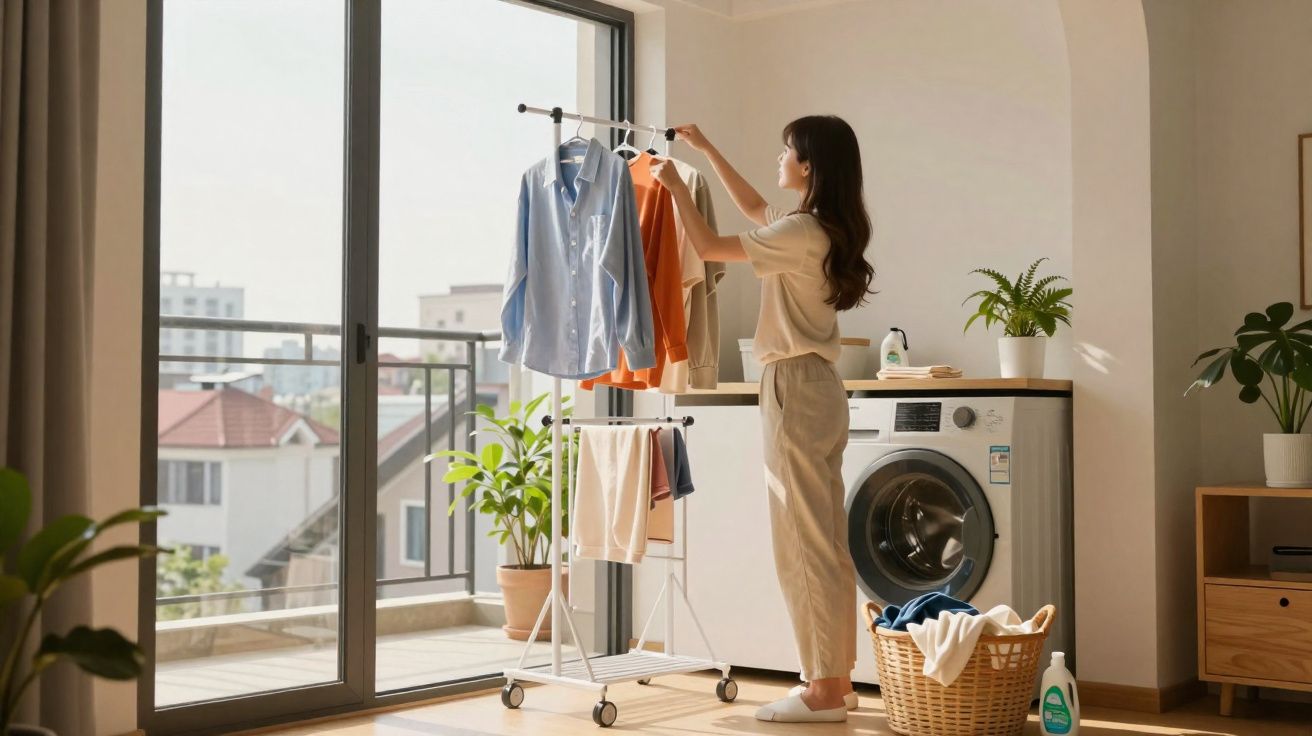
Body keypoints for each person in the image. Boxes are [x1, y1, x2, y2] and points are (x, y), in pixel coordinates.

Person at [651, 116, 874, 724]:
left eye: (788, 151)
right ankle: (836, 681)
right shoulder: (822, 227)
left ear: (810, 166)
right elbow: (753, 207)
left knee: (801, 543)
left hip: (793, 389)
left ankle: (823, 692)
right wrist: (706, 146)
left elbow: (708, 248)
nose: (781, 158)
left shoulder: (800, 231)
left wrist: (674, 185)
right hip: (822, 387)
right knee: (824, 540)